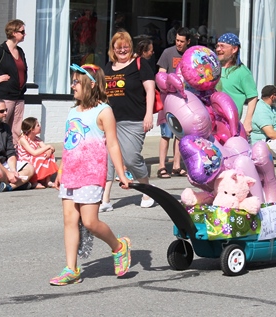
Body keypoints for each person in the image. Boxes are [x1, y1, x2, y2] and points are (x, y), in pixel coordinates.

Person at [49, 63, 131, 286]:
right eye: (72, 81)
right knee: (69, 220)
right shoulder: (72, 111)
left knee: (90, 222)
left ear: (91, 84)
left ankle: (118, 246)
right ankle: (71, 269)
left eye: (76, 81)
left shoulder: (103, 111)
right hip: (71, 172)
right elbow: (68, 144)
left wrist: (121, 174)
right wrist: (60, 170)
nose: (72, 85)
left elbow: (113, 144)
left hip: (92, 172)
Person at [101, 30, 155, 212]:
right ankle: (105, 198)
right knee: (108, 159)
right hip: (111, 120)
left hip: (134, 120)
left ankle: (147, 188)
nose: (122, 50)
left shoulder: (140, 64)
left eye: (125, 46)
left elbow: (150, 91)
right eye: (118, 47)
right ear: (113, 48)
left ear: (130, 47)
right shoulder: (108, 67)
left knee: (131, 158)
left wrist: (149, 115)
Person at [156, 27, 191, 179]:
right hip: (168, 98)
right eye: (177, 40)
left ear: (188, 42)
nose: (179, 44)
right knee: (166, 133)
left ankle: (177, 165)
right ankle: (162, 166)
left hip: (183, 99)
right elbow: (160, 74)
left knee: (180, 134)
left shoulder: (191, 55)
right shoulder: (167, 53)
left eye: (182, 41)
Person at [0, 98, 35, 192]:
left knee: (30, 168)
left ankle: (10, 186)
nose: (5, 113)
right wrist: (7, 173)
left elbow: (10, 151)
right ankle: (19, 184)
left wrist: (13, 171)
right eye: (2, 111)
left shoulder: (6, 127)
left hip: (4, 162)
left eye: (6, 110)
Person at [215, 33, 258, 134]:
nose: (218, 49)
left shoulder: (242, 72)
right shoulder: (214, 68)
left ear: (234, 49)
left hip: (229, 125)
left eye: (222, 46)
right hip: (211, 121)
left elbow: (253, 96)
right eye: (217, 46)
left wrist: (248, 121)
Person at [16, 117, 59, 189]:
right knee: (38, 158)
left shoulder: (37, 139)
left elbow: (51, 148)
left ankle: (47, 180)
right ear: (31, 129)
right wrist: (48, 147)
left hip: (32, 157)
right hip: (24, 160)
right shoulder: (23, 139)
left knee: (48, 155)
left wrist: (49, 151)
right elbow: (34, 153)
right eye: (38, 125)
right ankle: (34, 182)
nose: (40, 127)